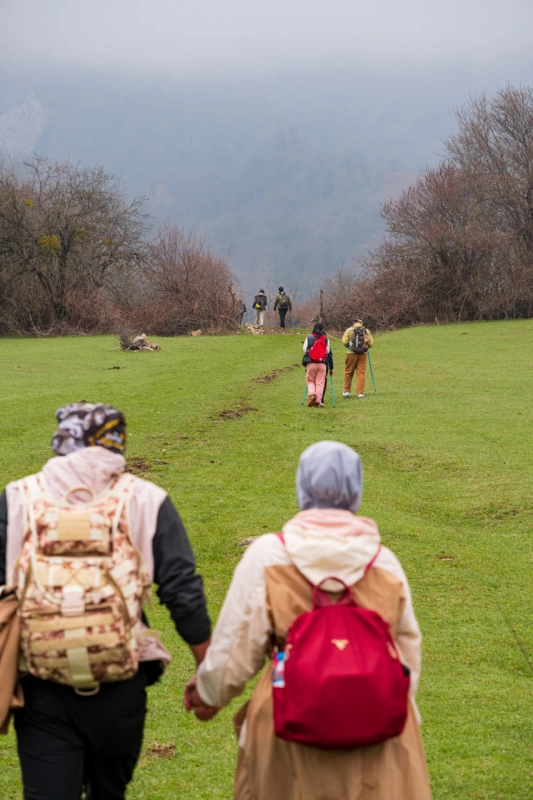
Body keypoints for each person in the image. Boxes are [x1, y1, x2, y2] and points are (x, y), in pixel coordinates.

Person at [185, 441, 431, 800]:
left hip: (290, 722)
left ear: (302, 488)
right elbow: (407, 649)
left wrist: (210, 693)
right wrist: (387, 702)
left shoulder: (269, 555)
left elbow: (236, 644)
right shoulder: (383, 561)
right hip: (376, 725)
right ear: (356, 489)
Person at [0, 402, 211, 800]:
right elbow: (182, 589)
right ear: (118, 442)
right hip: (120, 685)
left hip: (41, 688)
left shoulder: (16, 498)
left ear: (61, 441)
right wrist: (208, 669)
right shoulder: (146, 498)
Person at [342, 317, 374, 398]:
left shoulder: (349, 330)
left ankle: (346, 391)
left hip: (351, 353)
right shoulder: (366, 331)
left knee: (348, 372)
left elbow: (344, 341)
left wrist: (349, 346)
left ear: (353, 323)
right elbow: (371, 343)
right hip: (363, 354)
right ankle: (360, 393)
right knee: (361, 373)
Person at [302, 322, 332, 407]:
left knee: (310, 380)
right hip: (322, 364)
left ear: (313, 328)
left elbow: (304, 349)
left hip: (311, 363)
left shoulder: (309, 337)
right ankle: (318, 402)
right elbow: (328, 351)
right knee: (320, 383)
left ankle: (312, 395)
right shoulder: (326, 339)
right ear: (322, 329)